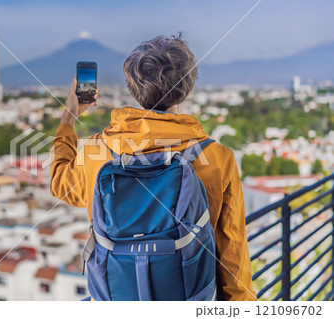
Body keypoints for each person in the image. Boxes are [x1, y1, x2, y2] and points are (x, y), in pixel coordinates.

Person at [50, 34, 256, 301]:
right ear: (189, 86)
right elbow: (233, 256)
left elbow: (59, 182)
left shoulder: (98, 151)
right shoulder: (217, 157)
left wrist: (69, 115)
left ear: (133, 88)